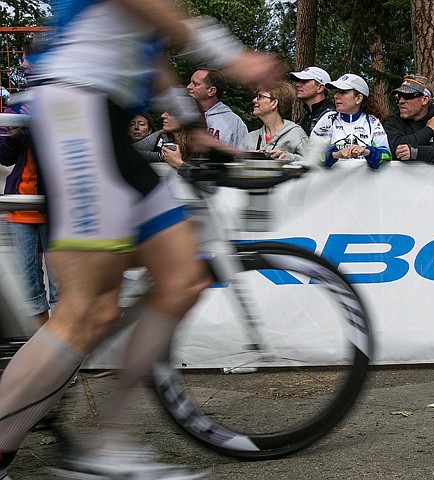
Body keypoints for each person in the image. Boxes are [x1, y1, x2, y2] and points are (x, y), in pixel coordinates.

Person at [0, 0, 283, 477]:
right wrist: (231, 55)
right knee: (87, 310)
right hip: (78, 110)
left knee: (183, 278)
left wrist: (193, 125)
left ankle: (106, 444)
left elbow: (150, 54)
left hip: (101, 117)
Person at [0, 50, 58, 326]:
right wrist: (12, 136)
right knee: (30, 285)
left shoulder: (64, 98)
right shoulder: (18, 101)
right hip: (20, 204)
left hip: (56, 206)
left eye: (28, 59)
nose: (22, 64)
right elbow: (5, 156)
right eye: (21, 59)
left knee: (62, 286)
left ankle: (67, 360)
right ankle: (46, 348)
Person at [310, 73, 390, 170]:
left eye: (343, 92)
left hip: (366, 184)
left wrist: (366, 152)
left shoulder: (372, 122)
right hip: (332, 183)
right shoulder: (328, 119)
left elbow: (386, 155)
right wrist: (335, 154)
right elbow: (311, 154)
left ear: (358, 98)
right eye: (336, 92)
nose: (336, 96)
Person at [383, 75, 434, 164]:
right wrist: (428, 131)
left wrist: (417, 152)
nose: (401, 101)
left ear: (424, 100)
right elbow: (395, 149)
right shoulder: (393, 122)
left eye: (407, 96)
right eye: (399, 96)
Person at [241, 81, 309, 162]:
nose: (254, 100)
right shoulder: (249, 138)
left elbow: (313, 165)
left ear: (274, 103)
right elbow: (236, 165)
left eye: (260, 96)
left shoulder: (296, 134)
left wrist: (288, 157)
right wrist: (247, 157)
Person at [187, 68, 248, 148]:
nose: (188, 86)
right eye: (190, 82)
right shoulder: (184, 116)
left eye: (195, 84)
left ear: (211, 91)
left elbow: (242, 155)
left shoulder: (234, 123)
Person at [289, 66, 334, 136]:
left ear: (320, 88)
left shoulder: (332, 117)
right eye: (298, 81)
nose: (297, 85)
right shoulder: (302, 119)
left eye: (304, 81)